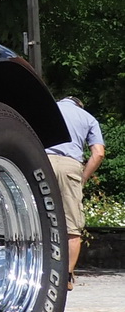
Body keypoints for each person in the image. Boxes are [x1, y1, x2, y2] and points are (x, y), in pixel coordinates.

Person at [49, 95, 106, 289]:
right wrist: (83, 178)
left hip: (42, 161)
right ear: (79, 105)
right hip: (70, 166)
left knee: (37, 216)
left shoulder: (47, 108)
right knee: (72, 226)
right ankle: (66, 277)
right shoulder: (88, 118)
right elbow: (98, 153)